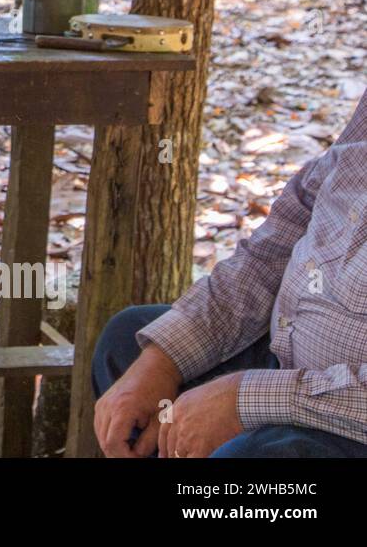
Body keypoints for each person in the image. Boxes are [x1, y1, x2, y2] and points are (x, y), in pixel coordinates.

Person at [93, 89, 367, 457]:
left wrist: (244, 399)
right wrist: (166, 360)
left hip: (351, 418)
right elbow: (273, 248)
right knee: (127, 346)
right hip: (289, 361)